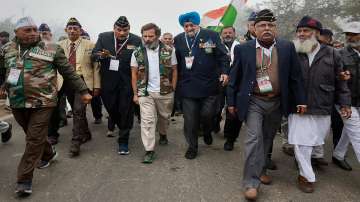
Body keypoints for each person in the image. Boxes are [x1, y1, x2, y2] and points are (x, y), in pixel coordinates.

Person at [0, 16, 92, 196]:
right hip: (17, 101)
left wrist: (83, 91)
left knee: (33, 139)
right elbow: (3, 71)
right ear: (16, 32)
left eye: (35, 29)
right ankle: (48, 153)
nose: (33, 33)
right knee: (33, 135)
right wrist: (3, 86)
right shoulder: (7, 49)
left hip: (44, 101)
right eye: (28, 30)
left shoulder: (51, 48)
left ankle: (24, 179)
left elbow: (69, 72)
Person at [227, 9, 307, 200]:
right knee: (254, 139)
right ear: (254, 29)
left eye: (270, 25)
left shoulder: (287, 47)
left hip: (277, 102)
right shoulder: (243, 49)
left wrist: (302, 100)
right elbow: (234, 78)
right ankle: (250, 183)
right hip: (254, 101)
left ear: (275, 28)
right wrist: (230, 102)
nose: (267, 28)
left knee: (268, 138)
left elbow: (296, 77)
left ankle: (260, 170)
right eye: (262, 25)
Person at [289, 16, 351, 193]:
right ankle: (306, 176)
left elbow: (341, 82)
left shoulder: (332, 53)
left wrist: (345, 104)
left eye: (305, 31)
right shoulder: (293, 51)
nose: (301, 34)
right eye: (299, 31)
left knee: (316, 140)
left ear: (316, 34)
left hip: (323, 105)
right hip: (298, 106)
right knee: (302, 143)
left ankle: (308, 160)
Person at [174, 11, 230, 159]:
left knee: (207, 115)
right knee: (190, 120)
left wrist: (225, 72)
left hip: (209, 85)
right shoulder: (178, 40)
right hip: (187, 86)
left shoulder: (211, 35)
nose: (189, 28)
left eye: (191, 25)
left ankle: (207, 130)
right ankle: (192, 147)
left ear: (197, 24)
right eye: (185, 26)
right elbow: (175, 63)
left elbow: (223, 56)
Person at [92, 16, 142, 155]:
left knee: (126, 110)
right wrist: (102, 55)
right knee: (112, 109)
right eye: (118, 30)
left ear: (129, 29)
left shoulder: (136, 40)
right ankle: (123, 126)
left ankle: (123, 140)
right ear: (114, 28)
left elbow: (141, 59)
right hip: (108, 81)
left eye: (124, 30)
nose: (121, 33)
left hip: (127, 81)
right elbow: (93, 55)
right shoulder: (104, 37)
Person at [131, 23, 177, 163]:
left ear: (157, 36)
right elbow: (133, 74)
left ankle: (162, 134)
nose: (147, 39)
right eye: (145, 36)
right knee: (147, 121)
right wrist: (135, 93)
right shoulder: (137, 52)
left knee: (164, 117)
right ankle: (149, 150)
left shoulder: (169, 50)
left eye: (150, 36)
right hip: (145, 92)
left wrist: (173, 88)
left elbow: (175, 70)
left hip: (165, 92)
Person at [58, 17, 100, 157]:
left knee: (78, 110)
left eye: (75, 28)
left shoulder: (90, 45)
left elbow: (96, 67)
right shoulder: (60, 45)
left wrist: (97, 85)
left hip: (83, 81)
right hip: (65, 81)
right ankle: (86, 133)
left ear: (80, 30)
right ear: (66, 30)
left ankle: (75, 142)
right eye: (69, 28)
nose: (72, 30)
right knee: (78, 111)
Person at [332, 21, 360, 171]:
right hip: (345, 102)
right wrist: (345, 103)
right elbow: (336, 81)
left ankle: (338, 155)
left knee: (349, 132)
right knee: (357, 134)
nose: (350, 37)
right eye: (348, 34)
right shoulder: (339, 54)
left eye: (354, 34)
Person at [220, 26, 241, 151]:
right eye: (225, 33)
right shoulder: (216, 47)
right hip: (219, 83)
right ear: (221, 35)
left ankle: (230, 138)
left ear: (234, 34)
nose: (227, 35)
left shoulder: (240, 47)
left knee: (233, 111)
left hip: (235, 83)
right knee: (215, 108)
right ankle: (215, 122)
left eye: (230, 33)